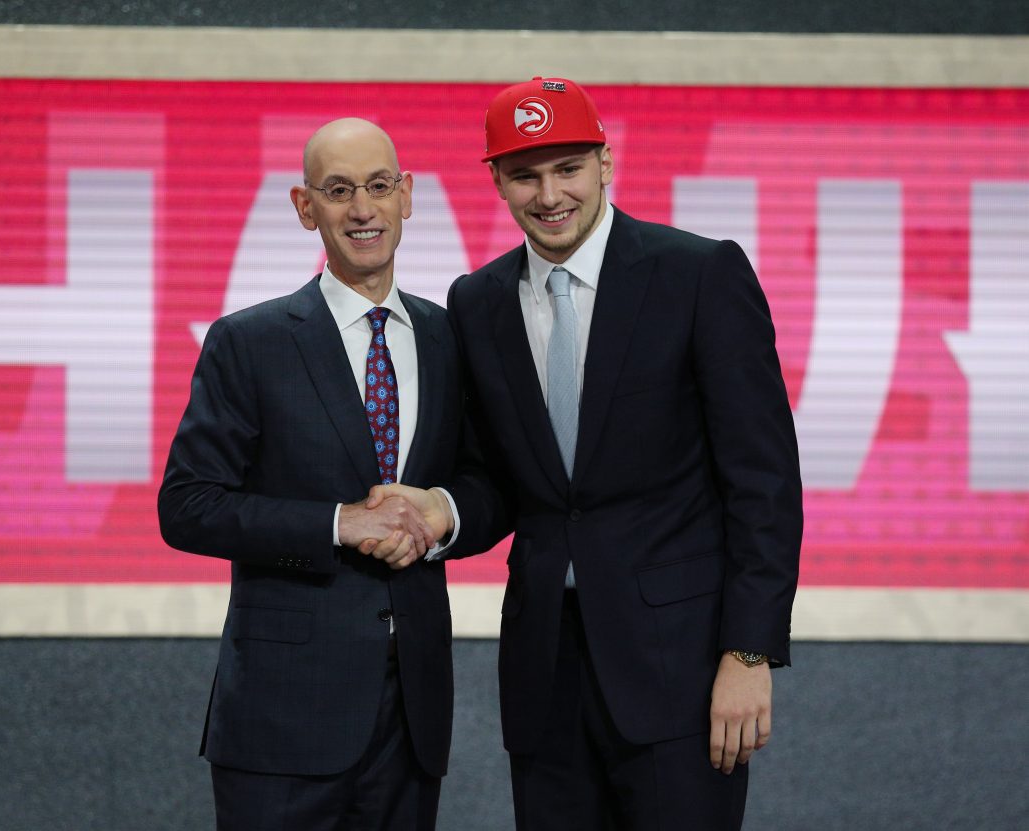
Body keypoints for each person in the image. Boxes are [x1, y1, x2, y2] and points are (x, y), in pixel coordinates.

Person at [369, 78, 803, 829]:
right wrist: (440, 510)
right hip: (544, 675)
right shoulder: (477, 300)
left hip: (684, 671)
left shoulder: (699, 274)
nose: (549, 194)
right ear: (496, 181)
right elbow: (499, 479)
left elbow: (763, 481)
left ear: (606, 162)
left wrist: (750, 652)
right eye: (525, 174)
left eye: (567, 167)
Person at [158, 118, 467, 831]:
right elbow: (187, 504)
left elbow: (488, 481)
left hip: (411, 719)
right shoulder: (250, 341)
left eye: (379, 187)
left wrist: (441, 511)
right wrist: (338, 523)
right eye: (339, 191)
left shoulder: (451, 337)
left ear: (407, 196)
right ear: (306, 208)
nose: (363, 209)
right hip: (281, 722)